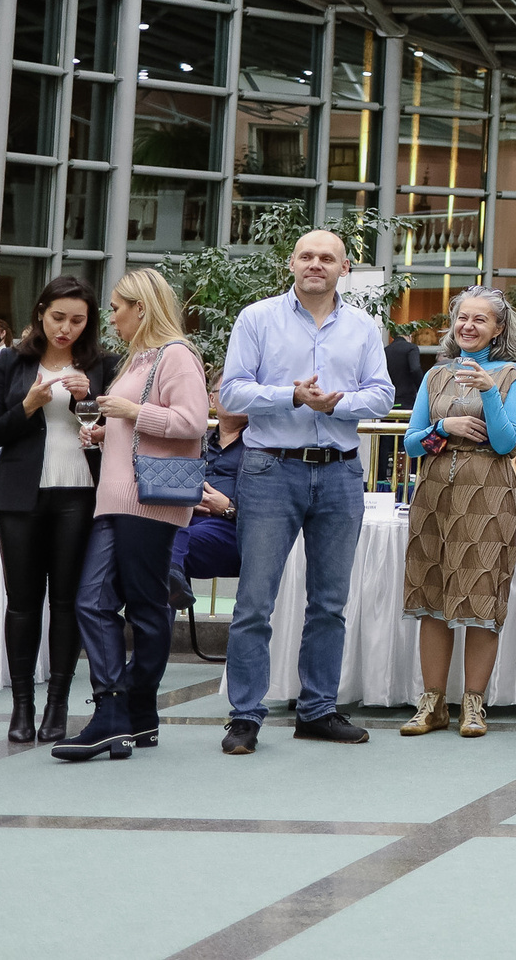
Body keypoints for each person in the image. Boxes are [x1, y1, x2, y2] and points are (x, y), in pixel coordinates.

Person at [217, 230, 395, 754]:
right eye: (307, 256)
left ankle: (317, 710)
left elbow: (382, 395)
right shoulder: (257, 318)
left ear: (345, 268)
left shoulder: (363, 327)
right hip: (271, 470)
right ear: (292, 263)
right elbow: (231, 390)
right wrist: (292, 396)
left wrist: (334, 406)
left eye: (327, 257)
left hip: (340, 473)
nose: (316, 264)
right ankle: (245, 717)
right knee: (254, 601)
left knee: (330, 603)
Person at [53, 270, 206, 763]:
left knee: (143, 605)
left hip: (148, 500)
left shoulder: (176, 354)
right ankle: (119, 709)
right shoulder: (140, 358)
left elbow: (191, 423)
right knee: (92, 602)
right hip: (119, 498)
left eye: (118, 306)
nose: (111, 315)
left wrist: (131, 413)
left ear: (142, 308)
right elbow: (142, 423)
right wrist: (107, 432)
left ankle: (131, 710)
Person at [397, 287, 516, 742]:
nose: (468, 326)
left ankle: (473, 705)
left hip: (488, 494)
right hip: (434, 491)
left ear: (498, 329)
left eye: (480, 320)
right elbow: (410, 443)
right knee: (432, 597)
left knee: (479, 599)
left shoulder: (512, 375)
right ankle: (432, 703)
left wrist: (490, 394)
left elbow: (506, 443)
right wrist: (443, 426)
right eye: (462, 318)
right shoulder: (434, 376)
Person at [0, 276, 114, 743]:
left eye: (77, 320)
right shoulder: (10, 361)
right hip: (19, 494)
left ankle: (58, 705)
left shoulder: (103, 365)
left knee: (67, 602)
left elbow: (118, 430)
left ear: (89, 323)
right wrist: (27, 405)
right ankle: (22, 706)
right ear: (40, 313)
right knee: (23, 604)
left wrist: (91, 400)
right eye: (58, 317)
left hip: (80, 493)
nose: (66, 328)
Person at [171, 399, 246, 611]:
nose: (238, 397)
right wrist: (187, 499)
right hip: (186, 520)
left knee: (163, 546)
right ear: (212, 399)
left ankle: (172, 574)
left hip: (231, 527)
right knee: (152, 535)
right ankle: (171, 578)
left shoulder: (260, 445)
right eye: (229, 390)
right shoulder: (196, 440)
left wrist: (230, 507)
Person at [384, 327, 427, 406]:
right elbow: (415, 369)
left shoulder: (385, 350)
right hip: (406, 398)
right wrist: (422, 387)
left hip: (389, 399)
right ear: (409, 336)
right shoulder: (411, 348)